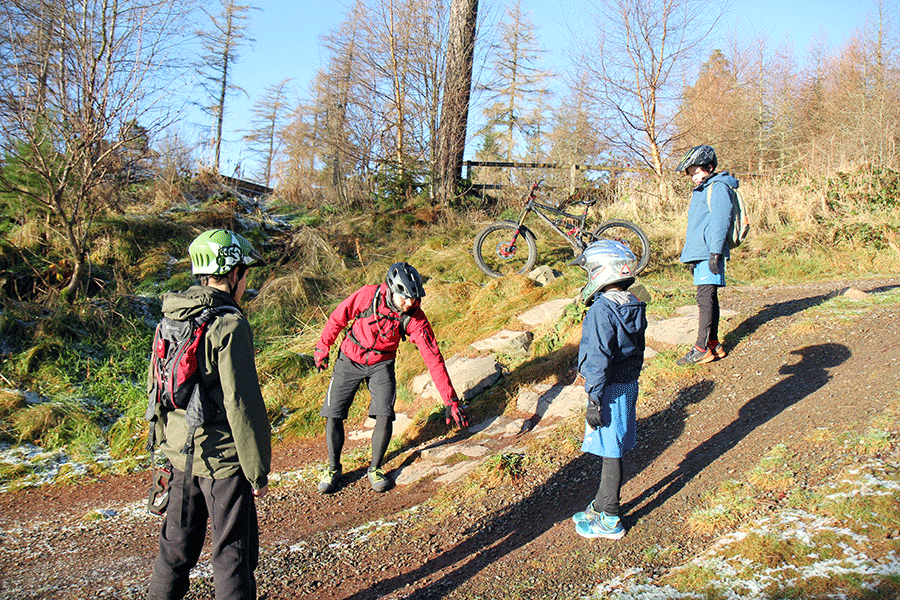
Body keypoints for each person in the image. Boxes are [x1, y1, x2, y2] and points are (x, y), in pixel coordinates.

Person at [148, 229, 272, 600]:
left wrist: (163, 444)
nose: (246, 281)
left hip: (178, 456)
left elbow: (155, 386)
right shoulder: (229, 324)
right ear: (232, 272)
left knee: (173, 553)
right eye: (245, 273)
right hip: (221, 462)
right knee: (231, 555)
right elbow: (243, 404)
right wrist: (256, 470)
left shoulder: (172, 316)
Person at [313, 262, 468, 494]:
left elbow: (433, 358)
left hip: (381, 363)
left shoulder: (415, 318)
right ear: (392, 289)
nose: (410, 304)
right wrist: (322, 348)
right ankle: (333, 468)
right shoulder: (368, 296)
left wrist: (450, 400)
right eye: (405, 298)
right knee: (333, 414)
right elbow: (339, 317)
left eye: (415, 299)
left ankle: (375, 468)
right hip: (349, 358)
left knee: (385, 414)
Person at [569, 240, 647, 540]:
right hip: (627, 384)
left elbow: (599, 357)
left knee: (611, 451)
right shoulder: (633, 302)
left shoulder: (602, 309)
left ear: (601, 271)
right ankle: (599, 505)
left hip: (608, 390)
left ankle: (611, 518)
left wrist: (594, 399)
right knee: (609, 447)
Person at [674, 144, 739, 365]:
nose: (693, 177)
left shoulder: (718, 187)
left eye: (697, 172)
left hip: (709, 253)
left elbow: (721, 222)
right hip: (700, 253)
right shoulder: (704, 188)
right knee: (709, 298)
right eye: (691, 174)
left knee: (704, 299)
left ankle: (701, 348)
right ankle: (713, 344)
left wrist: (715, 254)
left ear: (709, 167)